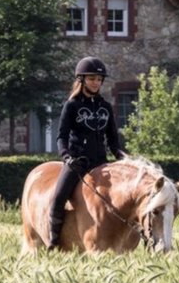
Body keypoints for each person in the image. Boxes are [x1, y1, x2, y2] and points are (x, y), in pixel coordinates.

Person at [47, 56, 127, 251]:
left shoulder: (105, 107)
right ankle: (54, 239)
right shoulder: (72, 105)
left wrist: (123, 159)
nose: (96, 83)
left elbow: (113, 141)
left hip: (101, 164)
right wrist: (66, 156)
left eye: (99, 79)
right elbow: (61, 136)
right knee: (58, 198)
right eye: (92, 79)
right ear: (81, 80)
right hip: (77, 162)